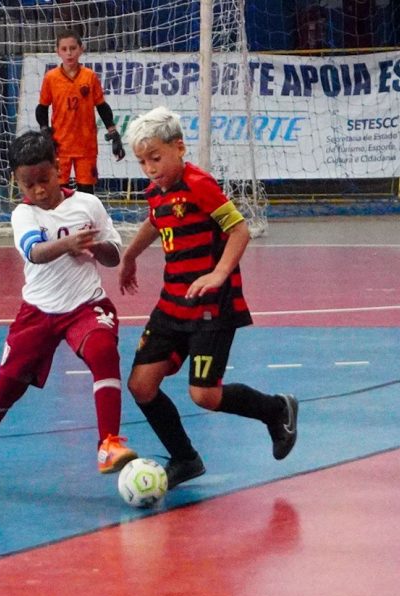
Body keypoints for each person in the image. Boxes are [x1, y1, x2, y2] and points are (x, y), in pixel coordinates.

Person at [118, 106, 299, 489]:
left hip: (211, 308)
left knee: (204, 395)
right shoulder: (156, 191)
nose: (150, 168)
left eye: (156, 158)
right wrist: (131, 255)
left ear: (178, 148)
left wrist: (219, 273)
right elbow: (156, 220)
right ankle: (185, 458)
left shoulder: (198, 184)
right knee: (141, 386)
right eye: (142, 162)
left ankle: (275, 409)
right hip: (172, 303)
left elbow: (239, 229)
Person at [0, 130, 136, 478]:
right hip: (38, 311)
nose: (37, 190)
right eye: (27, 184)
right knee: (9, 383)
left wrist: (95, 247)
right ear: (18, 183)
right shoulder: (24, 215)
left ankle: (109, 443)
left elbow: (113, 257)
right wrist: (68, 245)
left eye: (44, 180)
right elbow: (35, 253)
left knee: (103, 352)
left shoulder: (87, 205)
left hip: (85, 305)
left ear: (59, 169)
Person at [36, 29, 125, 195]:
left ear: (81, 49)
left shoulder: (89, 77)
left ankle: (86, 222)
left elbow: (101, 106)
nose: (69, 53)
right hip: (60, 145)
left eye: (73, 48)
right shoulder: (51, 78)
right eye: (64, 49)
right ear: (58, 52)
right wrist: (44, 130)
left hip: (86, 145)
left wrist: (113, 132)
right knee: (59, 191)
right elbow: (42, 108)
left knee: (86, 193)